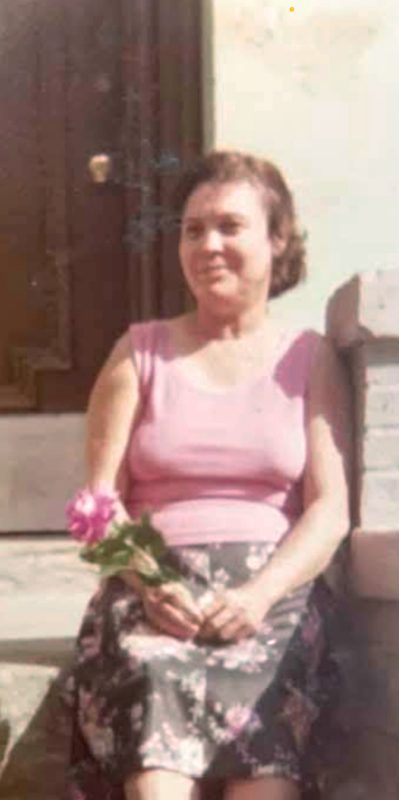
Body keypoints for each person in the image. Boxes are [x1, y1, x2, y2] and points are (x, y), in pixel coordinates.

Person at [64, 151, 351, 800]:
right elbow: (97, 505)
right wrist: (150, 580)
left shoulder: (308, 357)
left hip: (269, 594)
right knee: (154, 709)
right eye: (193, 230)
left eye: (229, 226)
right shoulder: (138, 352)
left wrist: (258, 595)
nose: (208, 246)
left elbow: (329, 508)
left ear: (276, 240)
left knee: (264, 771)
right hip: (155, 592)